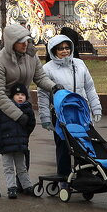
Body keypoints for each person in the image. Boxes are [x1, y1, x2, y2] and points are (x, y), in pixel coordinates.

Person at [0, 23, 56, 198]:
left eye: (27, 40)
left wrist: (55, 88)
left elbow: (40, 77)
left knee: (22, 144)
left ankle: (22, 182)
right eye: (21, 41)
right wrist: (17, 116)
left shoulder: (31, 56)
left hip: (22, 105)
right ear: (11, 43)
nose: (25, 44)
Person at [39, 34, 100, 182]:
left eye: (67, 48)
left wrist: (96, 107)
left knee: (84, 144)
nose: (65, 51)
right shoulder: (47, 69)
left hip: (80, 111)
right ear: (53, 51)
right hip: (60, 114)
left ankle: (84, 176)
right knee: (63, 146)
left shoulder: (79, 64)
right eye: (60, 49)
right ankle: (64, 177)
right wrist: (46, 118)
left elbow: (89, 88)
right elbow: (43, 96)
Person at [0, 82, 36, 199]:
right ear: (12, 96)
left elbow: (31, 124)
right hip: (6, 144)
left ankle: (27, 186)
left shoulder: (27, 109)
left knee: (22, 167)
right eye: (17, 94)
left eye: (22, 95)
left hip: (20, 145)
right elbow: (0, 126)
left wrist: (25, 135)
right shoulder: (6, 108)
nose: (20, 97)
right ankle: (11, 187)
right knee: (8, 168)